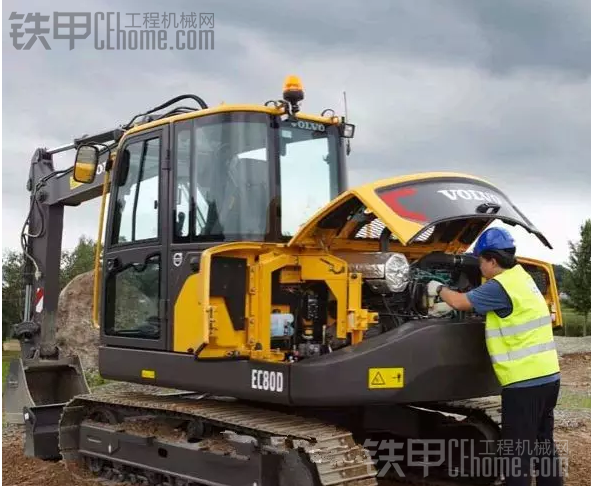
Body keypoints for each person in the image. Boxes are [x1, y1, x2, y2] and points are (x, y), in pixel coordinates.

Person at [427, 227, 563, 486]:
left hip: (524, 383)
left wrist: (438, 288)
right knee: (544, 446)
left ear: (492, 260)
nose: (479, 266)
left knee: (517, 456)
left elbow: (459, 302)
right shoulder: (521, 278)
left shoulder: (499, 287)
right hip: (548, 377)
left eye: (480, 260)